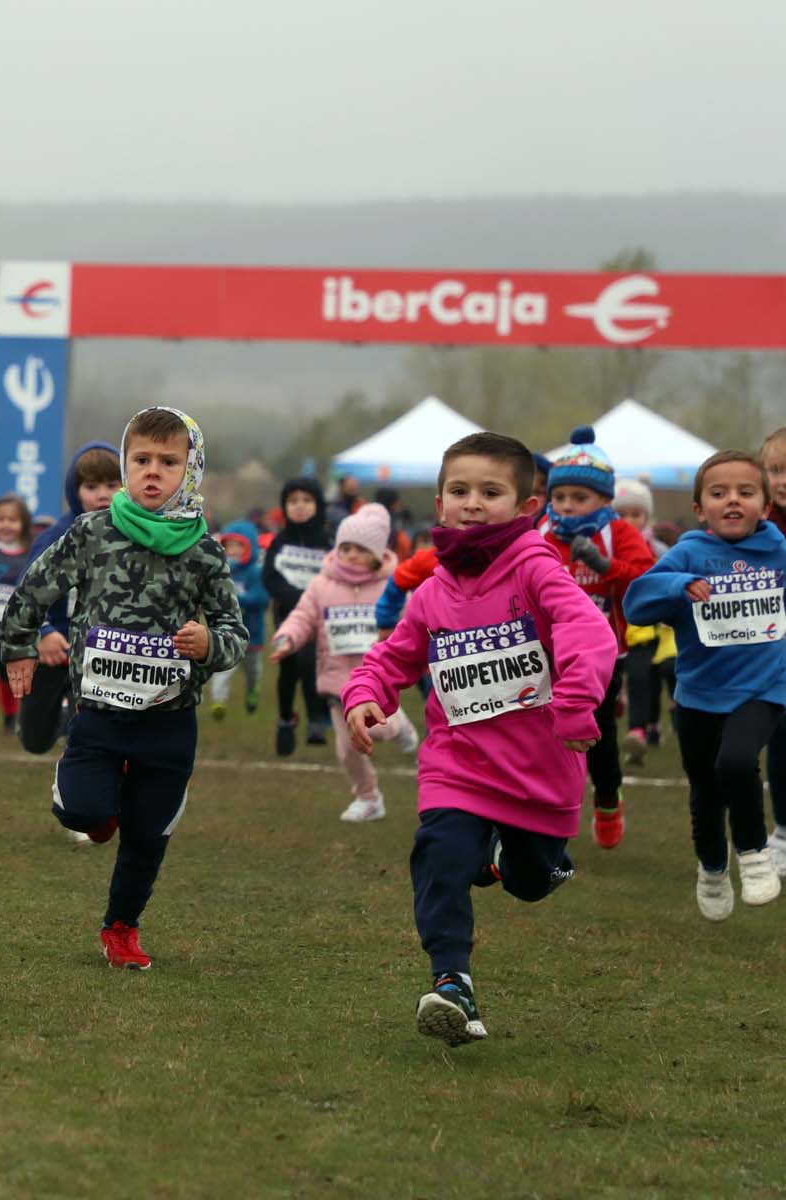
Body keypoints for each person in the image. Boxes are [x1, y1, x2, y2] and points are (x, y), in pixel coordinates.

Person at [343, 432, 616, 1047]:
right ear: (439, 504)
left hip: (540, 773)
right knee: (439, 856)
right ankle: (452, 984)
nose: (472, 503)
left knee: (528, 881)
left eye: (490, 492)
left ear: (526, 507)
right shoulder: (435, 591)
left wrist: (574, 706)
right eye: (459, 491)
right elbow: (394, 656)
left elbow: (589, 633)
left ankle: (508, 862)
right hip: (457, 767)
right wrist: (365, 695)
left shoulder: (536, 570)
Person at [2, 407, 246, 970]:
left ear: (192, 469)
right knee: (81, 812)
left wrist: (209, 645)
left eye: (168, 462)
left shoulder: (205, 551)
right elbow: (34, 586)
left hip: (169, 721)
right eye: (140, 460)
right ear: (126, 463)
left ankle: (121, 928)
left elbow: (235, 632)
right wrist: (19, 645)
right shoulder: (92, 533)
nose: (152, 472)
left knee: (148, 837)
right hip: (99, 712)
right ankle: (99, 811)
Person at [625, 451, 785, 918]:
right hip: (698, 695)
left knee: (737, 762)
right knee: (705, 792)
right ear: (700, 509)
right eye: (719, 494)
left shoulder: (779, 553)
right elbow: (636, 604)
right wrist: (679, 586)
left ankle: (755, 855)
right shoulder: (690, 552)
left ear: (766, 505)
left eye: (745, 492)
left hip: (764, 689)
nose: (732, 500)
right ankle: (712, 867)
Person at [537, 427, 655, 848]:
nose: (567, 506)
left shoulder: (619, 533)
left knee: (595, 733)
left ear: (605, 500)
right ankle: (549, 815)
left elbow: (645, 581)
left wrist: (605, 566)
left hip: (607, 655)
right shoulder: (543, 534)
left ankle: (608, 797)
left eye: (580, 498)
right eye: (560, 496)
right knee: (546, 736)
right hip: (548, 654)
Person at [270, 503, 419, 822]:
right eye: (345, 547)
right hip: (338, 683)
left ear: (378, 553)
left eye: (360, 549)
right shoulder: (322, 583)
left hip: (379, 679)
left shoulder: (391, 585)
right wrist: (287, 638)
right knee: (347, 750)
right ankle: (368, 798)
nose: (351, 555)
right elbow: (303, 615)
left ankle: (401, 726)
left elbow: (412, 620)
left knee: (379, 730)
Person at [14, 440, 120, 757]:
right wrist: (43, 633)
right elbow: (26, 591)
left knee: (89, 737)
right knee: (34, 740)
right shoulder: (55, 537)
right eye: (91, 486)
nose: (102, 494)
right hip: (55, 647)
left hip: (101, 649)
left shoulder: (133, 535)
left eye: (112, 484)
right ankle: (61, 717)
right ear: (75, 492)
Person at [263, 477, 332, 754]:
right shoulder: (279, 542)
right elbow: (270, 577)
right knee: (288, 669)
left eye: (306, 500)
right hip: (286, 617)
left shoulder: (329, 541)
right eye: (293, 501)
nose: (300, 507)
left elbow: (339, 574)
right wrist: (295, 597)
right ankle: (285, 718)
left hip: (320, 621)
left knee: (310, 662)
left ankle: (317, 718)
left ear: (318, 504)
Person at [612, 478, 669, 766]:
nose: (629, 521)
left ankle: (645, 728)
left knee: (648, 679)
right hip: (614, 629)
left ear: (647, 516)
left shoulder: (657, 550)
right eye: (621, 514)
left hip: (648, 628)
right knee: (630, 679)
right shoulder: (605, 547)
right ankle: (632, 724)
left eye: (635, 514)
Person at [757, 426, 786, 873]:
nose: (782, 479)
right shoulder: (755, 528)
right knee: (781, 742)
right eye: (775, 470)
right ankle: (782, 831)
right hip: (773, 656)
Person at [0, 494, 33, 734]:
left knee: (24, 667)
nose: (6, 524)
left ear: (23, 523)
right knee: (3, 670)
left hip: (23, 621)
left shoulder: (32, 553)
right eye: (1, 519)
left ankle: (25, 713)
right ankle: (10, 715)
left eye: (12, 519)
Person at [208, 519, 267, 720]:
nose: (232, 551)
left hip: (252, 635)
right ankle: (218, 701)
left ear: (250, 547)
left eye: (238, 545)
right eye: (229, 545)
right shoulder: (222, 570)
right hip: (227, 633)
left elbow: (261, 599)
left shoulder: (255, 572)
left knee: (253, 672)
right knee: (222, 668)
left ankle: (253, 692)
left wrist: (235, 600)